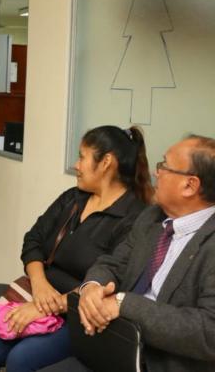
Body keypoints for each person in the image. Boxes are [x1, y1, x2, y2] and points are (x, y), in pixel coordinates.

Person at [0, 125, 153, 372]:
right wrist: (39, 284)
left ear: (106, 162)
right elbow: (33, 240)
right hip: (38, 294)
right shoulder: (73, 198)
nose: (76, 165)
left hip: (78, 315)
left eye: (82, 157)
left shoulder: (134, 218)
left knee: (22, 359)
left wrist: (45, 307)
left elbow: (112, 283)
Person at [68, 135, 215, 372]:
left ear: (190, 185)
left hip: (161, 361)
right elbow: (113, 262)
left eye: (164, 166)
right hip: (112, 341)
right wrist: (92, 287)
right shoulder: (151, 217)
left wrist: (124, 304)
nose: (157, 172)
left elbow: (209, 332)